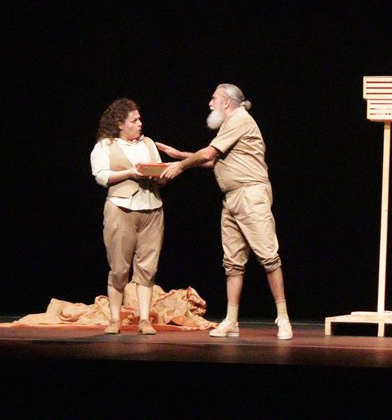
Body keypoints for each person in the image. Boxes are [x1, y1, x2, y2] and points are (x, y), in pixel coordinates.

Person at [158, 84, 292, 340]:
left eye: (214, 99)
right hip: (231, 198)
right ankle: (231, 320)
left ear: (227, 102)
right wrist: (180, 155)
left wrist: (181, 166)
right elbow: (213, 160)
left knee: (268, 256)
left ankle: (283, 318)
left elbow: (209, 153)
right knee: (232, 263)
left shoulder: (240, 119)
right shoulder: (230, 124)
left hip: (250, 194)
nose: (210, 103)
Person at [89, 97, 165, 335]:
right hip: (121, 207)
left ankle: (144, 320)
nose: (140, 123)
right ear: (120, 123)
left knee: (147, 267)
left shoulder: (148, 143)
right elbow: (101, 175)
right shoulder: (106, 145)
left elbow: (160, 172)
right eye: (134, 120)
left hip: (151, 207)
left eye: (139, 119)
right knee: (119, 267)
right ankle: (115, 319)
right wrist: (130, 172)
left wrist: (160, 175)